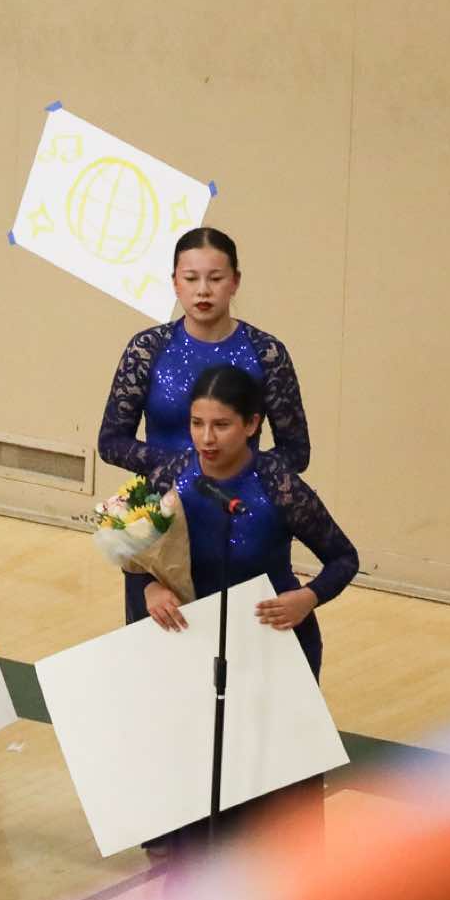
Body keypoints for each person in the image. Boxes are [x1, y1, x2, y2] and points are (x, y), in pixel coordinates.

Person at [143, 363, 357, 846]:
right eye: (197, 423)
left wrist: (308, 597)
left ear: (252, 424)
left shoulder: (278, 484)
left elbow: (344, 557)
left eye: (221, 425)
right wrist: (151, 587)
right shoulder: (171, 478)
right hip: (201, 641)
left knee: (276, 771)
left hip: (273, 640)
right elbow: (141, 554)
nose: (206, 438)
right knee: (203, 764)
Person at [99, 227, 310, 629]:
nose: (203, 291)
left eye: (215, 278)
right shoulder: (147, 349)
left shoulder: (266, 353)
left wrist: (239, 478)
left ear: (235, 282)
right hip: (164, 521)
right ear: (174, 283)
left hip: (241, 517)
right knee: (163, 645)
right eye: (191, 278)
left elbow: (296, 451)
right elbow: (111, 441)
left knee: (247, 640)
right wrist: (184, 470)